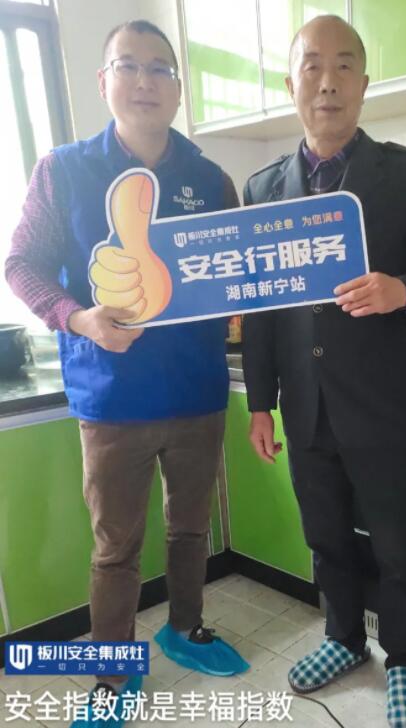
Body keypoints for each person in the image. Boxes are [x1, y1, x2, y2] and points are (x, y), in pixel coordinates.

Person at [5, 19, 248, 728]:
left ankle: (185, 628)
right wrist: (77, 317)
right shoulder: (64, 170)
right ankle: (114, 675)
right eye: (129, 66)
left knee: (191, 529)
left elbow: (234, 276)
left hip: (198, 393)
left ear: (178, 87)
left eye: (160, 68)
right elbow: (21, 264)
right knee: (116, 550)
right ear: (103, 80)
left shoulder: (209, 178)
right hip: (111, 401)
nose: (145, 81)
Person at [242, 14, 406, 728]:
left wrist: (402, 291)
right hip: (305, 406)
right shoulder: (263, 189)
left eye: (343, 66)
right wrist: (260, 402)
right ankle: (342, 638)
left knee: (398, 543)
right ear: (291, 84)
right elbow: (262, 312)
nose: (327, 82)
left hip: (384, 403)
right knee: (325, 536)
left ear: (364, 84)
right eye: (312, 65)